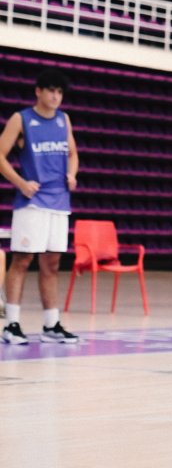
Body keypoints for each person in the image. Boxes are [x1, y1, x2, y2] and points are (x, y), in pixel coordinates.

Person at [0, 68, 80, 344]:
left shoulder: (63, 120)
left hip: (59, 202)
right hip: (32, 203)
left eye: (59, 92)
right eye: (51, 91)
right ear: (38, 91)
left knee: (52, 263)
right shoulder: (21, 119)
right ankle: (11, 324)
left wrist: (72, 174)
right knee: (22, 259)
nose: (56, 97)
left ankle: (51, 324)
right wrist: (20, 182)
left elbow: (73, 154)